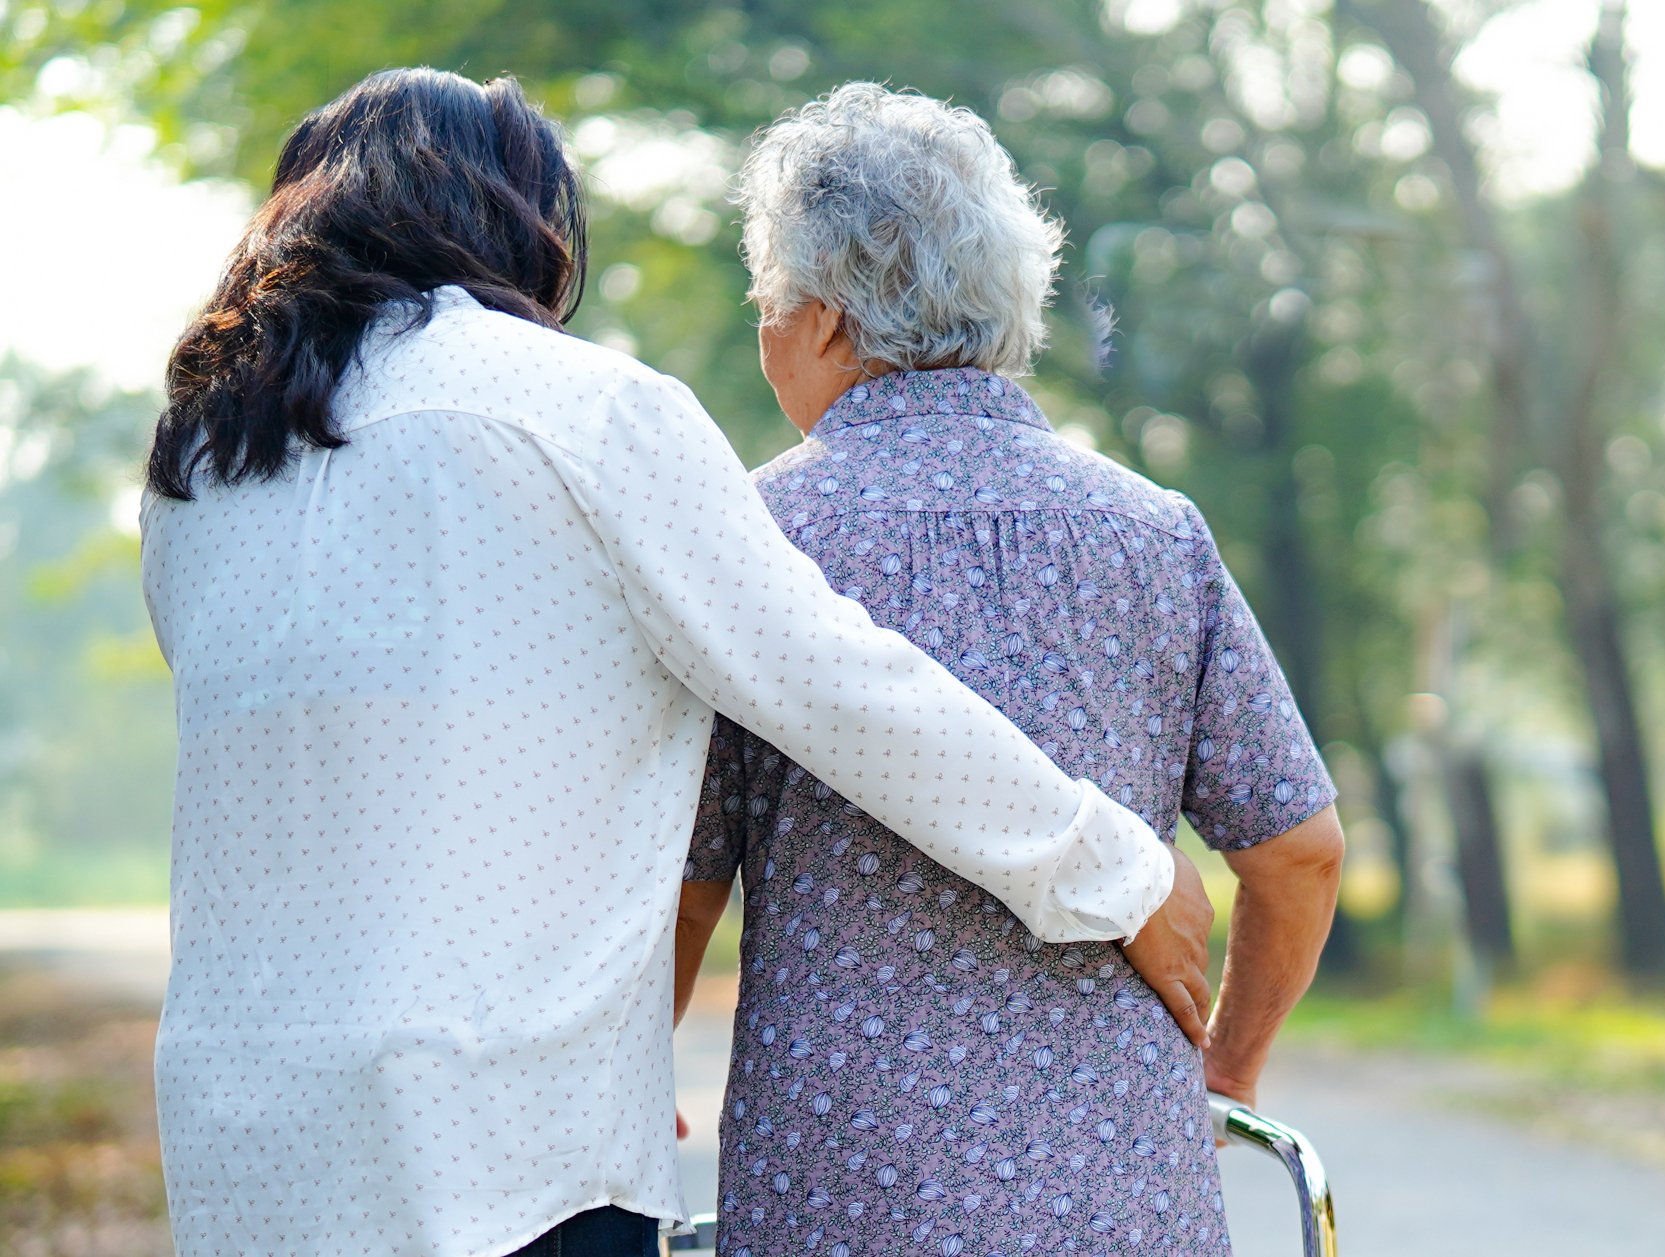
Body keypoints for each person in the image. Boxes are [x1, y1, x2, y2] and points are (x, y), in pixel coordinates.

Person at [139, 68, 1203, 1257]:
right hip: (493, 1144)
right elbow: (837, 685)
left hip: (242, 1136)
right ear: (514, 219)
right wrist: (1116, 870)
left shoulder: (200, 463)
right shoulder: (583, 413)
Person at [674, 84, 1347, 1257]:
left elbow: (681, 883)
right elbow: (1298, 853)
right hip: (1128, 1194)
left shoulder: (745, 543)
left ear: (826, 320)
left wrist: (629, 1099)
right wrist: (1221, 1072)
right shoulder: (1154, 534)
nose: (764, 333)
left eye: (767, 305)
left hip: (844, 1195)